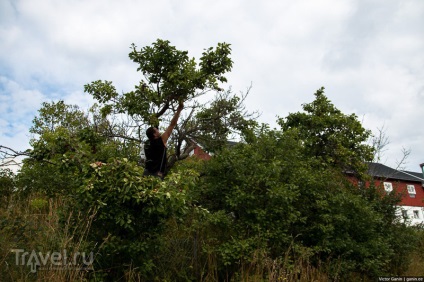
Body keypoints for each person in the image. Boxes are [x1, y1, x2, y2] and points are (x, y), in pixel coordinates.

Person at [143, 101, 184, 179]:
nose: (159, 131)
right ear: (154, 134)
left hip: (146, 173)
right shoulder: (161, 141)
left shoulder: (146, 145)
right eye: (157, 130)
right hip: (156, 175)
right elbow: (172, 124)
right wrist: (179, 109)